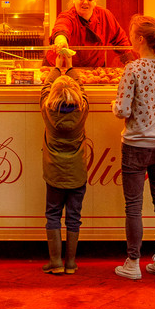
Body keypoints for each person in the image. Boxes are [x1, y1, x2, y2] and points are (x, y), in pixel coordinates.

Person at [113, 14, 155, 280]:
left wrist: (113, 104)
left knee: (134, 206)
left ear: (140, 39)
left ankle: (133, 263)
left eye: (131, 34)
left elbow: (122, 110)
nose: (129, 38)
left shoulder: (133, 69)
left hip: (136, 145)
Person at [39, 73, 89, 275]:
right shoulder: (83, 110)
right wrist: (71, 70)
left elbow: (44, 91)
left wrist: (56, 69)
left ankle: (55, 262)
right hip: (77, 173)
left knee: (53, 214)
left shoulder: (47, 110)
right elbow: (83, 92)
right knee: (74, 217)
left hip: (54, 172)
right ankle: (71, 263)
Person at [46, 0, 131, 70]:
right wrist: (61, 42)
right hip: (61, 67)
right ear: (74, 0)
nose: (85, 2)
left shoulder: (105, 15)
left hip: (94, 69)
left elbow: (121, 40)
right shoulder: (67, 16)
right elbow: (61, 29)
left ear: (95, 2)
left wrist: (130, 63)